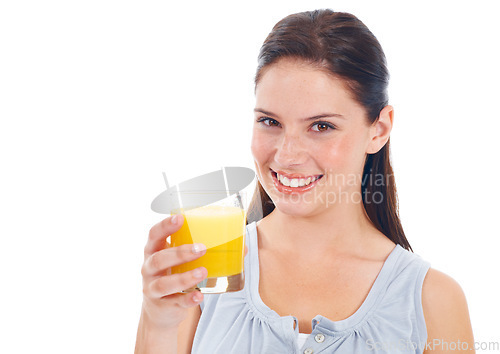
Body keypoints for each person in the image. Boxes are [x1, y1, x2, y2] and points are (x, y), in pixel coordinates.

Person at [135, 9, 474, 353]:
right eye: (270, 121)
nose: (286, 155)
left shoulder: (433, 302)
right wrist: (156, 323)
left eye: (321, 126)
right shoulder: (202, 275)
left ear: (379, 130)